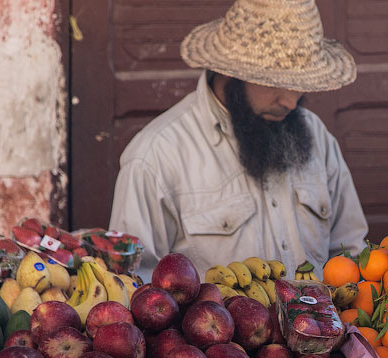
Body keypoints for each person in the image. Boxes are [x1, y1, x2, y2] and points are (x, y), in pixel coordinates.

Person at [109, 0, 368, 282]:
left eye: (301, 83)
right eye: (276, 82)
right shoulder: (156, 156)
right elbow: (135, 286)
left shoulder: (316, 135)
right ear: (230, 72)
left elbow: (351, 254)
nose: (291, 101)